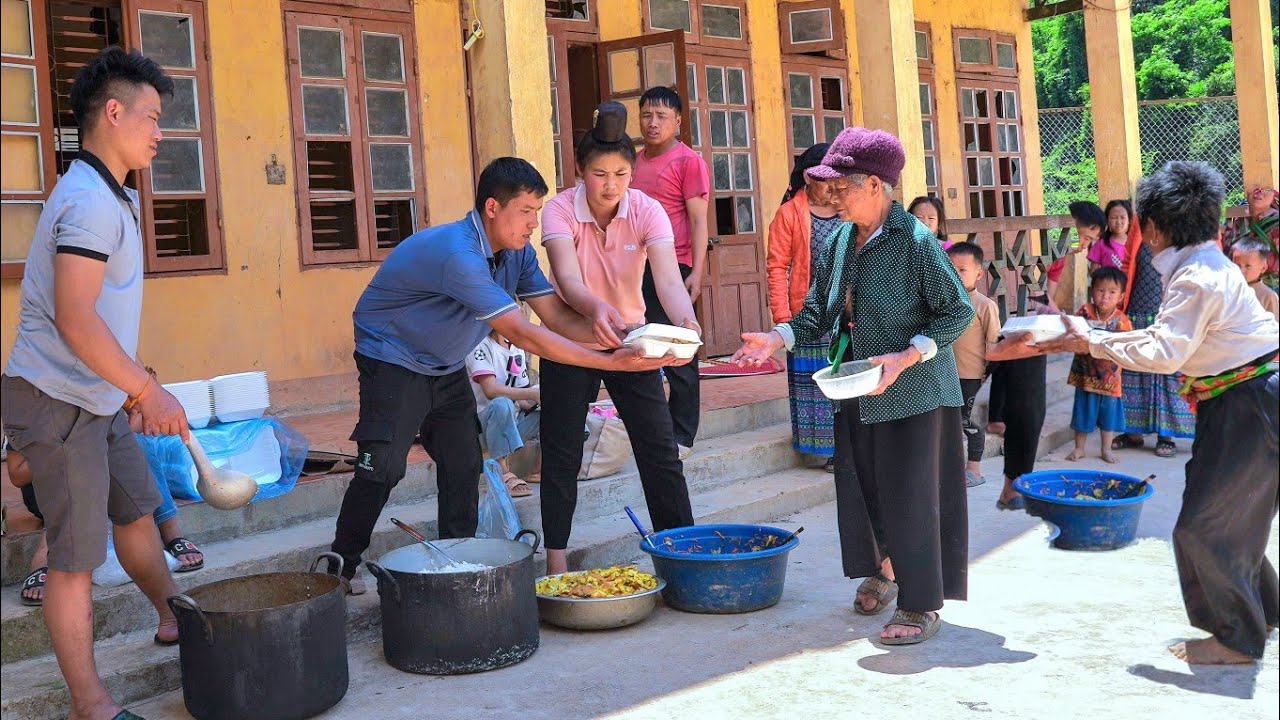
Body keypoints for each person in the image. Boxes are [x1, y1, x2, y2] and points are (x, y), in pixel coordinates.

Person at [331, 156, 678, 593]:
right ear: (493, 208)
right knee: (381, 466)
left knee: (463, 462)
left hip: (444, 363)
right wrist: (609, 365)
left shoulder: (518, 254)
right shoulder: (458, 253)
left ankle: (451, 567)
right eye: (526, 211)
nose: (535, 222)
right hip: (393, 358)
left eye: (538, 211)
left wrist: (622, 335)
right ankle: (338, 566)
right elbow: (522, 332)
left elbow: (553, 317)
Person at [0, 47, 190, 720]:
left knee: (137, 508)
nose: (159, 130)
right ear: (114, 113)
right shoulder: (86, 201)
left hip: (94, 395)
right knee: (75, 560)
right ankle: (91, 706)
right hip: (57, 401)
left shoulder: (109, 193)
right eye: (152, 116)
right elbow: (76, 319)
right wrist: (144, 392)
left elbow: (101, 316)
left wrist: (135, 382)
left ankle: (176, 619)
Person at [733, 127, 974, 645]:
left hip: (916, 392)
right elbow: (818, 311)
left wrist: (909, 354)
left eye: (840, 187)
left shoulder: (916, 241)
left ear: (873, 186)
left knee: (912, 496)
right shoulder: (842, 238)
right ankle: (888, 571)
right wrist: (777, 338)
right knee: (865, 490)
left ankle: (920, 605)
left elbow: (957, 311)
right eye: (827, 186)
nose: (829, 195)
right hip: (859, 388)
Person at [1037, 161, 1278, 665]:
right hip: (1247, 397)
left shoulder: (1195, 276)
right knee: (1235, 516)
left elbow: (1165, 351)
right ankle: (1266, 612)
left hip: (1249, 402)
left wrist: (1096, 343)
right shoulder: (1206, 263)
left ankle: (1236, 639)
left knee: (1205, 526)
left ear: (1151, 227)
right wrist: (1099, 338)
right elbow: (1162, 340)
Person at [539, 102, 700, 576]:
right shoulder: (558, 210)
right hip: (570, 340)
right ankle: (556, 563)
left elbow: (669, 283)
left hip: (632, 343)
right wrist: (595, 309)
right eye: (599, 173)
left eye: (622, 173)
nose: (611, 185)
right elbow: (567, 280)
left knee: (659, 450)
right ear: (579, 172)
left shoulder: (648, 210)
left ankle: (682, 553)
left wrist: (686, 323)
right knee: (562, 451)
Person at [10, 398, 205, 607]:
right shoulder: (31, 400)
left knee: (138, 442)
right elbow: (17, 474)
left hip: (111, 481)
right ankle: (42, 557)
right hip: (48, 487)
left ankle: (171, 532)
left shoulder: (107, 397)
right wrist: (75, 449)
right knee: (76, 462)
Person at [634, 87, 711, 460]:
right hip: (636, 267)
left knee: (679, 350)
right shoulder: (631, 161)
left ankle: (683, 433)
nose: (653, 123)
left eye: (662, 116)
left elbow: (699, 221)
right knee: (643, 347)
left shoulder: (688, 161)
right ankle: (653, 428)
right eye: (647, 115)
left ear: (678, 121)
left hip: (675, 266)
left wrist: (697, 271)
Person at [766, 143, 839, 471]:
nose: (832, 186)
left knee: (844, 378)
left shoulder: (848, 208)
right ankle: (821, 451)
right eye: (824, 179)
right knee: (813, 385)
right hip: (805, 314)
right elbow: (777, 267)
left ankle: (845, 448)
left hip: (846, 311)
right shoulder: (790, 213)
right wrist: (783, 319)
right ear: (808, 176)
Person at [1113, 193, 1196, 459]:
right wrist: (1121, 301)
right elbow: (1128, 261)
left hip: (1169, 313)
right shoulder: (1140, 223)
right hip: (1137, 309)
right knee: (1133, 371)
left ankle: (1166, 435)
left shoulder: (1184, 226)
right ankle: (1133, 433)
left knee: (1166, 374)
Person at [946, 242, 1001, 488]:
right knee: (948, 423)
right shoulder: (942, 304)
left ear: (979, 274)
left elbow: (994, 345)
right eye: (949, 267)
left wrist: (987, 377)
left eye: (962, 269)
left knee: (969, 422)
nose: (954, 274)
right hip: (945, 376)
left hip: (971, 377)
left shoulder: (984, 306)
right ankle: (952, 469)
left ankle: (974, 470)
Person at [1066, 267, 1132, 463]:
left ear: (1121, 296)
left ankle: (1106, 449)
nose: (1105, 296)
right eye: (1100, 290)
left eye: (1112, 292)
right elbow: (1073, 333)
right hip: (1085, 374)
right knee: (1083, 412)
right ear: (1092, 291)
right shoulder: (1084, 312)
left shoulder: (1122, 321)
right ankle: (1079, 448)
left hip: (1110, 379)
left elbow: (1126, 347)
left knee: (1108, 416)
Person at [466, 330, 541, 497]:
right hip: (481, 429)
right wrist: (531, 394)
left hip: (510, 427)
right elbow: (491, 391)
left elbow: (522, 400)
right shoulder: (479, 346)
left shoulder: (516, 349)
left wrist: (539, 397)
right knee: (502, 403)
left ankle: (540, 468)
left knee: (552, 408)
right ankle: (502, 473)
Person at [1221, 185, 1278, 290]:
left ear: (1274, 196)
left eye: (1267, 190)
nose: (1259, 192)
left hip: (1270, 285)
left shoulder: (1276, 224)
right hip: (1236, 281)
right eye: (1255, 187)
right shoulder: (1235, 217)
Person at [1231, 238, 1280, 321]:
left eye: (1248, 266)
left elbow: (1273, 328)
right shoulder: (1227, 288)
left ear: (1263, 268)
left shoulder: (1268, 296)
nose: (1241, 270)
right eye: (1237, 265)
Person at [1089, 200, 1130, 270]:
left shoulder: (1136, 243)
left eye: (1122, 217)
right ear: (1107, 220)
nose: (1118, 222)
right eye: (1114, 217)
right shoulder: (1101, 244)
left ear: (1129, 220)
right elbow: (1094, 272)